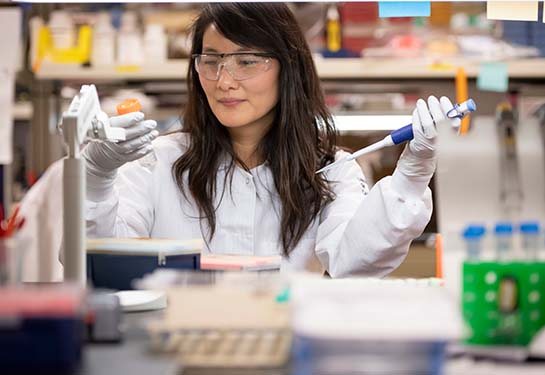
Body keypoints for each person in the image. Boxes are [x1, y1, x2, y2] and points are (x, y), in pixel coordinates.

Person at [84, 3, 459, 277]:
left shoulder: (330, 170)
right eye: (211, 60)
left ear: (288, 67)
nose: (224, 81)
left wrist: (411, 177)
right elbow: (99, 262)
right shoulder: (158, 162)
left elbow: (355, 262)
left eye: (246, 61)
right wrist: (96, 182)